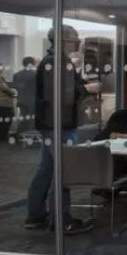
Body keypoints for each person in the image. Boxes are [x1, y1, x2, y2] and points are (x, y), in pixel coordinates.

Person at [24, 25, 99, 234]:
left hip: (52, 124)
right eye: (74, 38)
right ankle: (61, 219)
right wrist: (87, 89)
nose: (77, 42)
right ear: (64, 39)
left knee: (46, 170)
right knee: (63, 172)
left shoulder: (53, 61)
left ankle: (36, 214)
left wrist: (80, 82)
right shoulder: (58, 62)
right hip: (60, 125)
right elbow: (63, 95)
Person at [0, 61, 17, 143]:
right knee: (6, 118)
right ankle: (0, 136)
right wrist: (13, 92)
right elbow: (4, 87)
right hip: (2, 101)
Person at [12, 57, 37, 133]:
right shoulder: (35, 74)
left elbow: (15, 87)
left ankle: (20, 134)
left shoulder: (16, 75)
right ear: (32, 63)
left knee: (23, 117)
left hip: (21, 99)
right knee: (32, 119)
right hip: (33, 100)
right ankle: (30, 136)